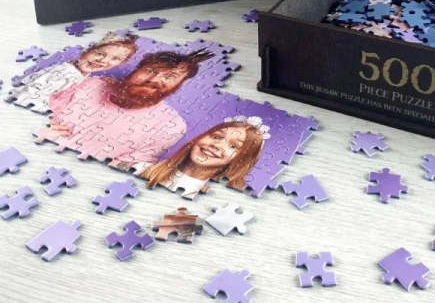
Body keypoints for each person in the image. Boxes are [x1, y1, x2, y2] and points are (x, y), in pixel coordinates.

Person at [34, 50, 213, 166]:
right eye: (151, 71)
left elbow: (125, 168)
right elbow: (34, 109)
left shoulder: (171, 127)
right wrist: (37, 124)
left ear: (179, 85)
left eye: (170, 76)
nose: (155, 80)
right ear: (135, 70)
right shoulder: (89, 83)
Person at [136, 116, 269, 200]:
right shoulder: (144, 168)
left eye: (233, 146)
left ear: (242, 159)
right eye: (216, 136)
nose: (217, 145)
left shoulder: (218, 197)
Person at [6, 32, 137, 114]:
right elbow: (28, 98)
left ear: (121, 63)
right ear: (87, 50)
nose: (104, 60)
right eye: (100, 53)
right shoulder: (62, 74)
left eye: (115, 58)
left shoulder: (81, 75)